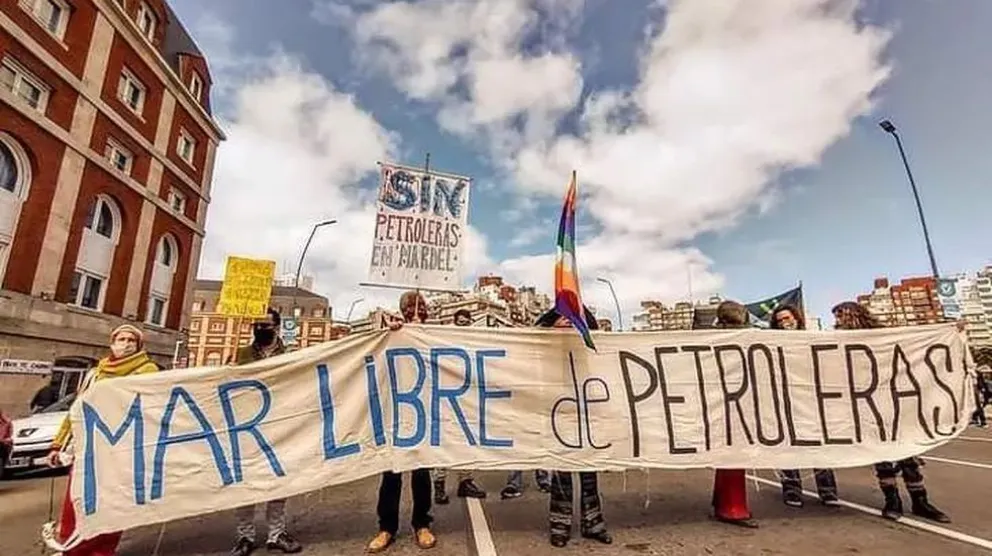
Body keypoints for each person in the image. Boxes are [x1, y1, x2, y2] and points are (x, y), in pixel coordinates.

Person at [44, 324, 159, 556]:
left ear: (139, 346)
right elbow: (77, 410)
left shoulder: (147, 371)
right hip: (88, 447)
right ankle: (72, 547)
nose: (126, 344)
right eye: (121, 339)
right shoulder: (95, 374)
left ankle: (101, 551)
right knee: (77, 501)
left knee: (109, 504)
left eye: (131, 341)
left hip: (119, 448)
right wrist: (58, 444)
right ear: (112, 343)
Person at [832, 301, 950, 523]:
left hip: (896, 402)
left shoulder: (884, 334)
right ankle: (892, 499)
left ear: (856, 314)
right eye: (837, 316)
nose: (839, 320)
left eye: (842, 314)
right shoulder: (838, 340)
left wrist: (951, 330)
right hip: (868, 403)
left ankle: (920, 501)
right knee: (882, 455)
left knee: (908, 453)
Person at [230, 309, 302, 555]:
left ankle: (276, 533)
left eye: (266, 325)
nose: (260, 329)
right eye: (257, 324)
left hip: (278, 425)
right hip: (247, 427)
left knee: (278, 482)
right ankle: (245, 536)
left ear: (277, 327)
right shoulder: (241, 354)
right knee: (246, 482)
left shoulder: (290, 355)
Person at [368, 291, 436, 552]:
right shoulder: (391, 333)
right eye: (409, 308)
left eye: (419, 307)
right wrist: (392, 332)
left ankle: (422, 524)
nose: (415, 312)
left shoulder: (435, 335)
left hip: (423, 414)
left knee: (421, 474)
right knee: (391, 473)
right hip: (395, 414)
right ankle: (386, 528)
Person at [539, 307, 612, 549]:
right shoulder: (544, 347)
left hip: (586, 408)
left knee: (589, 470)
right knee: (562, 471)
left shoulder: (587, 343)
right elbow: (534, 334)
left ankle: (594, 523)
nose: (567, 322)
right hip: (558, 411)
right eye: (563, 318)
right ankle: (560, 525)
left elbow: (596, 334)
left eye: (572, 319)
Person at [768, 305, 839, 508]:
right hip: (786, 401)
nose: (785, 323)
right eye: (780, 321)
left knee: (819, 445)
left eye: (787, 318)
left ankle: (828, 491)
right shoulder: (772, 344)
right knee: (788, 446)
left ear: (796, 318)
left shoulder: (811, 339)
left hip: (812, 400)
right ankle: (792, 490)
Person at [709, 301, 758, 528]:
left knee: (728, 456)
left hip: (725, 402)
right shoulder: (743, 338)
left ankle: (723, 501)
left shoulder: (712, 338)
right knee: (734, 457)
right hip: (734, 403)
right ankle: (732, 508)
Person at [433, 309, 487, 504]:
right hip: (446, 401)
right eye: (460, 322)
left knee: (467, 443)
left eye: (466, 323)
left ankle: (465, 482)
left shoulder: (473, 344)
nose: (463, 326)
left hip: (467, 401)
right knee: (444, 442)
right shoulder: (444, 342)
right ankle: (439, 484)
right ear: (454, 323)